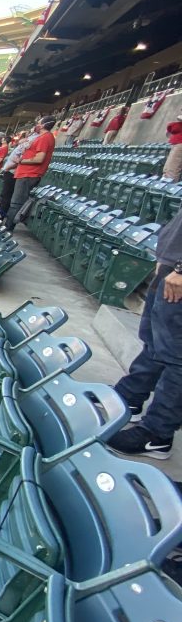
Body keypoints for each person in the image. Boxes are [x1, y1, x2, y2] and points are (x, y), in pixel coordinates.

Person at [105, 205, 182, 459]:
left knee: (176, 357)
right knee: (154, 341)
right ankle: (130, 398)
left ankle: (157, 435)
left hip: (178, 272)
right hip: (171, 264)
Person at [6, 116, 56, 232]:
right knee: (15, 202)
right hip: (25, 173)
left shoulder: (45, 138)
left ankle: (7, 228)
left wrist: (21, 161)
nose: (36, 125)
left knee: (16, 203)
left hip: (29, 174)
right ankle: (7, 225)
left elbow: (39, 158)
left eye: (38, 123)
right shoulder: (41, 137)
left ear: (43, 125)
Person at [163, 113, 182, 182]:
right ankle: (165, 183)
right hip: (177, 144)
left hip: (180, 144)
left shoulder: (176, 125)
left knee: (172, 169)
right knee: (168, 168)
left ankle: (168, 187)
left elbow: (172, 127)